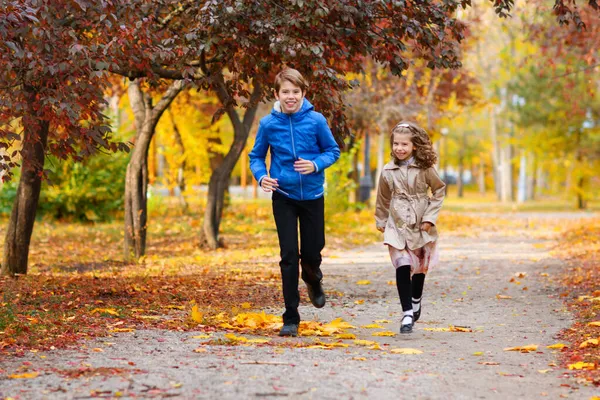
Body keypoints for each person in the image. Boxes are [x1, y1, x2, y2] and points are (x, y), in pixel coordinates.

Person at [249, 68, 340, 337]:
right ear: (276, 94)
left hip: (312, 195)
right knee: (288, 256)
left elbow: (332, 150)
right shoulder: (268, 124)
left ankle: (313, 278)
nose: (291, 97)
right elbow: (256, 156)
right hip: (284, 196)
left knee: (312, 253)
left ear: (303, 93)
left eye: (296, 92)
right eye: (285, 92)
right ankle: (290, 317)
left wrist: (315, 164)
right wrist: (262, 176)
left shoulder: (316, 121)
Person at [375, 121, 446, 334]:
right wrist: (381, 221)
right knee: (402, 264)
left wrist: (430, 218)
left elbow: (439, 190)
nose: (399, 148)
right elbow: (382, 198)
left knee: (419, 267)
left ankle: (416, 299)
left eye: (404, 144)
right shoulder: (388, 170)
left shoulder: (425, 169)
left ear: (414, 145)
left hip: (420, 223)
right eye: (396, 144)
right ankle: (406, 312)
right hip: (396, 224)